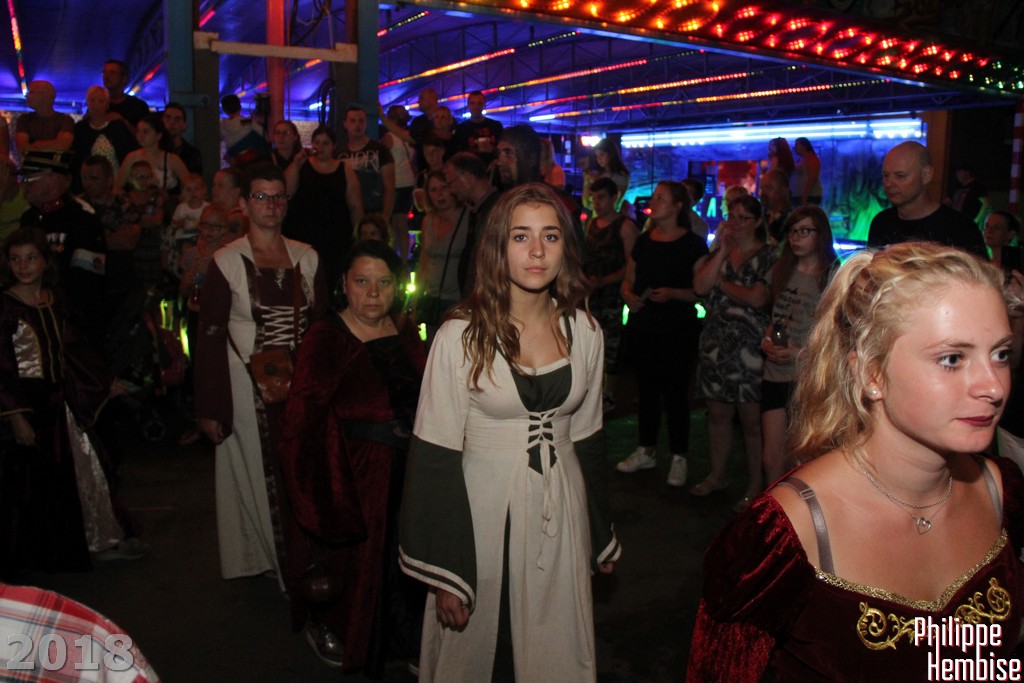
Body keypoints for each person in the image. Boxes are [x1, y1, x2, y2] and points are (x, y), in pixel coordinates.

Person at [687, 243, 1023, 681]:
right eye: (952, 359)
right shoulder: (778, 539)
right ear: (870, 373)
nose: (993, 386)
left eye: (1000, 354)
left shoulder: (1003, 490)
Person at [399, 182, 620, 682]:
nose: (537, 251)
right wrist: (447, 571)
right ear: (498, 247)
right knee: (486, 654)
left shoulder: (586, 332)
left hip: (560, 509)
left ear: (566, 247)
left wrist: (600, 532)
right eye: (521, 236)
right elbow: (434, 454)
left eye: (550, 236)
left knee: (554, 647)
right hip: (481, 513)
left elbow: (588, 437)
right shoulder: (460, 335)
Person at [278, 240, 427, 673]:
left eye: (384, 282)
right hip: (354, 477)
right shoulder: (327, 338)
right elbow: (299, 423)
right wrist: (313, 496)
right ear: (344, 285)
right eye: (362, 281)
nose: (374, 293)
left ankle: (407, 639)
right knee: (360, 566)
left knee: (406, 562)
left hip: (407, 471)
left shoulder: (403, 330)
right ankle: (339, 628)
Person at [195, 163, 329, 583]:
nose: (270, 205)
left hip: (300, 388)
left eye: (277, 197)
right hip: (244, 388)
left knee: (301, 474)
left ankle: (303, 560)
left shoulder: (308, 257)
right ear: (243, 204)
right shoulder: (226, 261)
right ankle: (279, 564)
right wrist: (211, 406)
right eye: (260, 197)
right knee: (258, 474)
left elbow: (322, 330)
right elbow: (210, 335)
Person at [0, 227, 142, 581]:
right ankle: (34, 554)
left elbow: (75, 348)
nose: (23, 266)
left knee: (82, 471)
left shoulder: (56, 300)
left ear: (45, 261)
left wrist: (103, 382)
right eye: (15, 259)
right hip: (26, 404)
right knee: (28, 483)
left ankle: (91, 540)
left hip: (60, 403)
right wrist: (16, 416)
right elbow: (2, 367)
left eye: (30, 258)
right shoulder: (5, 307)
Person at [616, 181, 707, 485]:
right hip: (645, 324)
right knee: (646, 390)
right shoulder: (644, 241)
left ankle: (679, 456)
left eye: (660, 198)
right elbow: (628, 278)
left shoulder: (693, 244)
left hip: (677, 327)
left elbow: (702, 291)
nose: (653, 202)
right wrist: (627, 294)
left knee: (676, 392)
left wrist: (674, 293)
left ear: (677, 205)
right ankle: (646, 449)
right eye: (654, 197)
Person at [691, 194, 775, 508]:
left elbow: (757, 298)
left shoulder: (769, 256)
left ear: (757, 222)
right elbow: (700, 286)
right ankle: (717, 475)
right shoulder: (719, 253)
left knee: (752, 421)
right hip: (716, 344)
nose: (735, 223)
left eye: (743, 218)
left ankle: (756, 483)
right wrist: (723, 252)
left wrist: (722, 284)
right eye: (732, 215)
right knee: (718, 415)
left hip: (750, 348)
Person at [760, 207, 837, 486]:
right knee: (771, 457)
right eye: (792, 232)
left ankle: (801, 509)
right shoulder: (782, 270)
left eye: (804, 231)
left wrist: (799, 353)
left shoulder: (831, 276)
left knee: (804, 456)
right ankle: (773, 506)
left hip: (808, 375)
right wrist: (766, 340)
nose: (796, 238)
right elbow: (776, 316)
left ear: (820, 234)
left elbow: (836, 336)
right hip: (774, 372)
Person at [868, 141, 986, 257]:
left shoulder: (961, 228)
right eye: (886, 175)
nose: (889, 183)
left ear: (926, 175)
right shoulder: (881, 223)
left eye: (900, 176)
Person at [582, 177, 639, 414]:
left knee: (611, 345)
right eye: (594, 198)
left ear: (614, 198)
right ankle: (594, 392)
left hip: (613, 295)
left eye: (602, 197)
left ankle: (609, 394)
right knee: (591, 344)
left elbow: (632, 264)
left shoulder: (625, 226)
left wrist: (604, 280)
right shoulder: (592, 224)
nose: (597, 202)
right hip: (592, 294)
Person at [283, 125, 363, 292]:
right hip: (304, 233)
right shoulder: (303, 165)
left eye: (325, 143)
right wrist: (296, 163)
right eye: (317, 142)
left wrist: (358, 236)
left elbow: (355, 205)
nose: (320, 147)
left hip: (335, 236)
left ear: (333, 146)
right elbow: (287, 191)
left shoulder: (344, 169)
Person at [414, 170, 466, 340]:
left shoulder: (467, 218)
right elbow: (423, 260)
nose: (440, 194)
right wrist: (415, 300)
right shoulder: (428, 220)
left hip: (458, 299)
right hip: (432, 298)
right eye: (433, 190)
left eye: (444, 187)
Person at [71, 85, 138, 189]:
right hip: (87, 185)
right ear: (87, 102)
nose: (96, 105)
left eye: (101, 101)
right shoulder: (81, 128)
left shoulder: (117, 127)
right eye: (92, 100)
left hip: (115, 184)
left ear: (107, 104)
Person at [114, 113, 188, 195]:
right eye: (138, 131)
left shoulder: (172, 159)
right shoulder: (131, 157)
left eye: (146, 132)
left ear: (158, 136)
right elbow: (117, 188)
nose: (140, 135)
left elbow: (189, 184)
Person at [380, 104, 416, 261]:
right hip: (409, 183)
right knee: (402, 225)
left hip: (396, 183)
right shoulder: (409, 137)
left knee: (395, 226)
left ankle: (396, 260)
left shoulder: (389, 137)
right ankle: (403, 260)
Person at [15, 80, 74, 155]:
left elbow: (63, 144)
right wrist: (50, 144)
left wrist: (34, 145)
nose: (27, 96)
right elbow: (21, 146)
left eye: (31, 92)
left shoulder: (65, 120)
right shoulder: (24, 119)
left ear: (45, 95)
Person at [453, 90, 503, 167]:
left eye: (479, 103)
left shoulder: (496, 126)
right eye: (472, 103)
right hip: (470, 170)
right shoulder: (461, 129)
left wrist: (495, 158)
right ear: (468, 105)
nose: (476, 107)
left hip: (493, 169)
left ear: (484, 105)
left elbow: (502, 149)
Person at [582, 138, 629, 211]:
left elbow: (613, 203)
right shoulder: (599, 174)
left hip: (611, 216)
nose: (599, 159)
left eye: (602, 155)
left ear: (611, 154)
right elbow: (586, 203)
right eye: (597, 156)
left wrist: (597, 181)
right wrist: (587, 182)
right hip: (596, 216)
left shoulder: (621, 176)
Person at [102, 59, 150, 127]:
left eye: (112, 73)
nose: (106, 76)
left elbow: (145, 132)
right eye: (104, 72)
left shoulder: (138, 106)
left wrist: (122, 122)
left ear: (124, 78)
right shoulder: (98, 104)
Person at [162, 102, 204, 175]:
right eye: (168, 118)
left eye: (177, 119)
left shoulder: (192, 154)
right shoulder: (153, 149)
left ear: (184, 126)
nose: (172, 122)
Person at [985, 210, 1022, 279]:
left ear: (1010, 234)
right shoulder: (983, 262)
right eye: (987, 226)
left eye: (996, 228)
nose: (989, 231)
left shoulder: (1016, 267)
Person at [790, 137, 822, 206]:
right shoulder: (801, 159)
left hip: (809, 196)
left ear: (804, 146)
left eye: (797, 145)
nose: (795, 147)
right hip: (800, 195)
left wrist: (805, 195)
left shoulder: (811, 158)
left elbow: (812, 177)